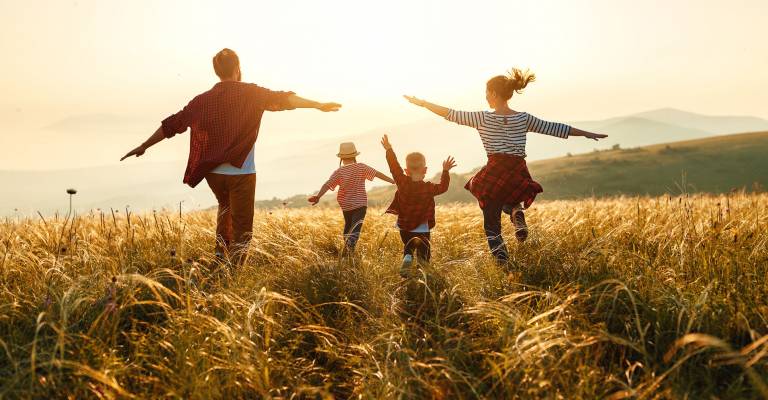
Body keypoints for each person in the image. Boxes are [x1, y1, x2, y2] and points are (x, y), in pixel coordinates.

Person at [120, 48, 341, 265]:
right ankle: (234, 272)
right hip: (241, 173)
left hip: (213, 174)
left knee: (224, 209)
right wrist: (317, 105)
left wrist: (144, 145)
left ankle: (219, 256)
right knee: (242, 225)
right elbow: (284, 100)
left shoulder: (202, 100)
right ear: (237, 68)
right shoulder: (252, 93)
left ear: (217, 71)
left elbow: (173, 124)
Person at [403, 68, 607, 265]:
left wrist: (422, 103)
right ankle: (516, 212)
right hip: (517, 170)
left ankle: (502, 260)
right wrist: (587, 133)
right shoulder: (523, 118)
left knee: (491, 222)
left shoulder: (482, 118)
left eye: (486, 93)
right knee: (511, 198)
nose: (485, 97)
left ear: (493, 93)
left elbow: (449, 113)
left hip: (495, 170)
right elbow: (555, 128)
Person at [380, 134, 456, 277]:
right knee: (424, 251)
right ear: (425, 170)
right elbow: (443, 187)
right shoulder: (429, 188)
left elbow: (394, 167)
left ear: (406, 171)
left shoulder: (401, 181)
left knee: (408, 244)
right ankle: (423, 273)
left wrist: (389, 149)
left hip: (404, 225)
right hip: (422, 226)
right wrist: (445, 171)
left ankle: (408, 256)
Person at [308, 142, 394, 254]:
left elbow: (327, 184)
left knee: (348, 227)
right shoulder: (361, 167)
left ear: (341, 158)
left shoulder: (339, 172)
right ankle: (349, 250)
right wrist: (393, 181)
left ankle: (347, 250)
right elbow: (377, 174)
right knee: (356, 227)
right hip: (360, 205)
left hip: (346, 206)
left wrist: (318, 196)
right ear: (355, 156)